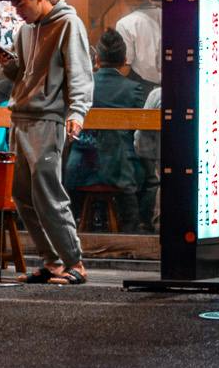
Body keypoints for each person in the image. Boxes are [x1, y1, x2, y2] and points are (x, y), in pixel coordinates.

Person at [0, 0, 93, 285]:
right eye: (14, 5)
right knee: (23, 195)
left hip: (48, 120)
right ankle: (53, 262)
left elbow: (79, 72)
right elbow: (23, 75)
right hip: (20, 119)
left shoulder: (68, 24)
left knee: (48, 193)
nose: (17, 11)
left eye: (20, 4)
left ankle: (75, 261)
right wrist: (9, 65)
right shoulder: (25, 31)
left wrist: (77, 112)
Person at [66, 29, 155, 226]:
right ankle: (138, 226)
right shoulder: (133, 89)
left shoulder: (83, 87)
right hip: (121, 169)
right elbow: (139, 130)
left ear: (97, 58)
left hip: (80, 167)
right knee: (151, 175)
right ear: (124, 59)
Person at [111, 0, 160, 85]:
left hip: (143, 90)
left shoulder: (125, 24)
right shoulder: (167, 15)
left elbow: (124, 69)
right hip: (171, 87)